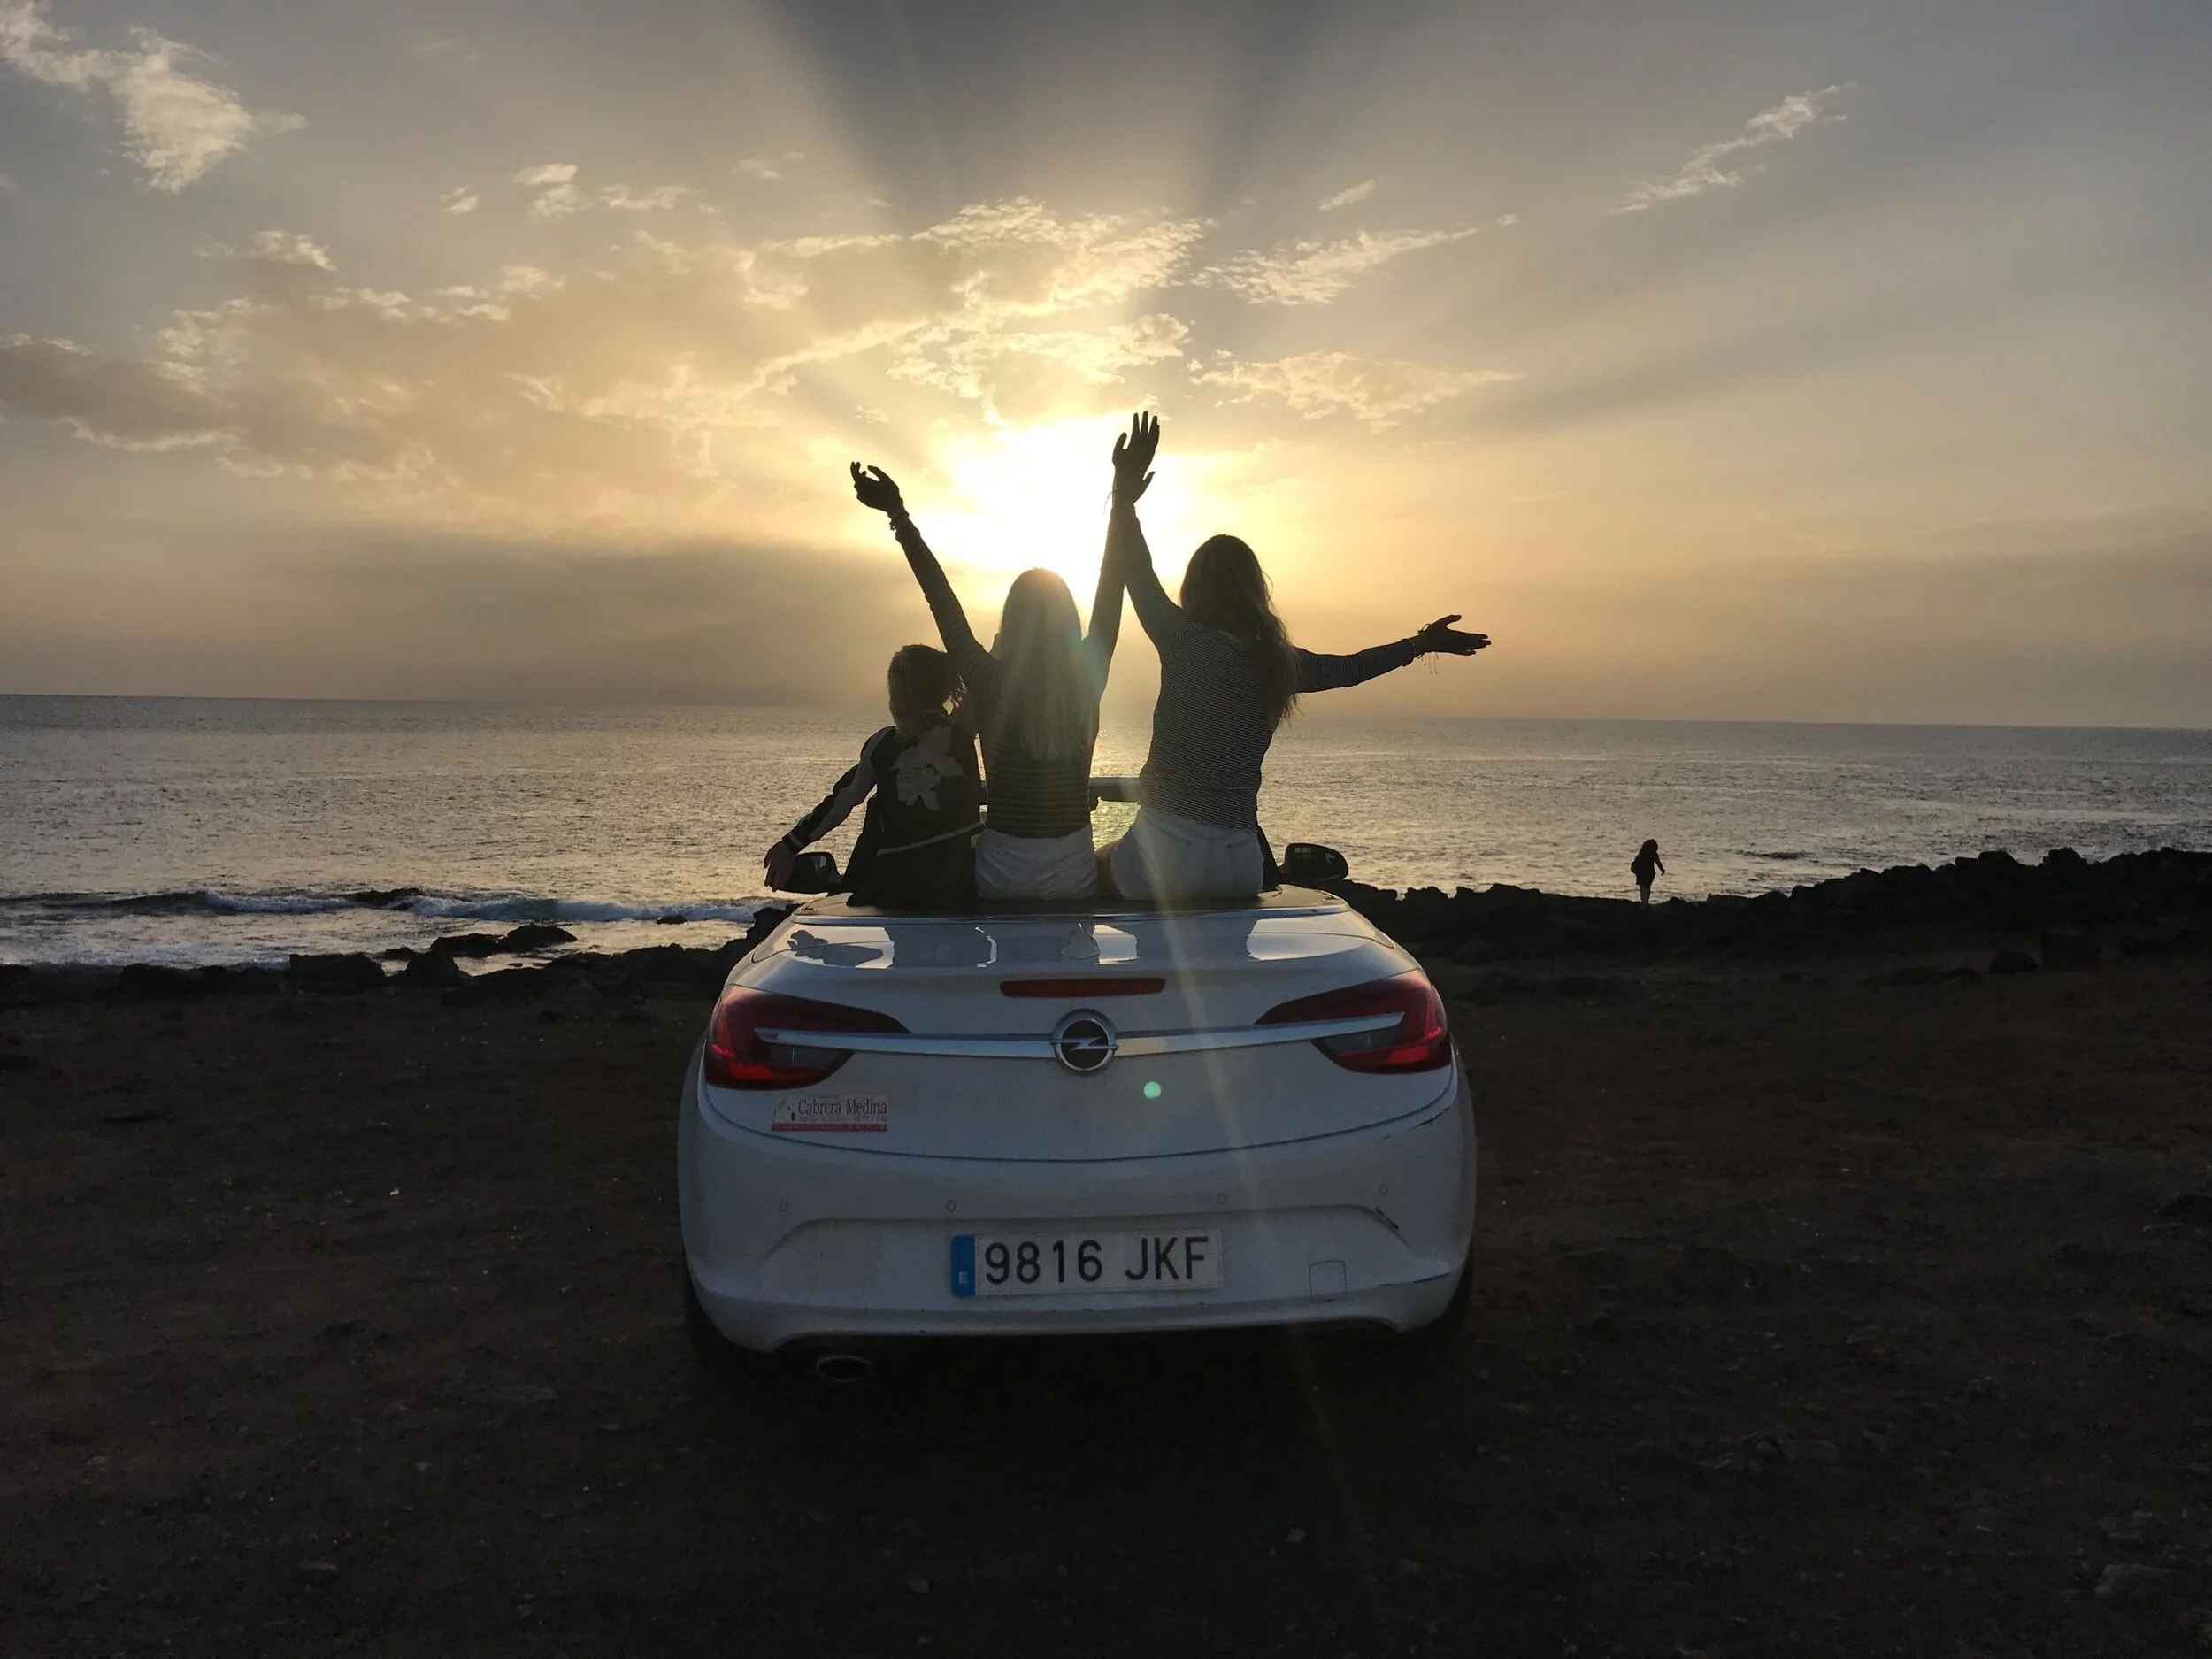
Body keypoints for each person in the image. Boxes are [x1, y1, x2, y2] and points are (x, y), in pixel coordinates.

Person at [1098, 411, 1490, 901]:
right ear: (1255, 590)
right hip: (1239, 863)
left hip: (1165, 853)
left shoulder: (1181, 637)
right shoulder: (1279, 662)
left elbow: (1136, 567)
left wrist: (1124, 494)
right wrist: (1422, 643)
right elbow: (1353, 668)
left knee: (1092, 870)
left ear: (1195, 586)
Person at [849, 458, 1122, 900]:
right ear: (1069, 623)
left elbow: (941, 599)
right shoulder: (1087, 679)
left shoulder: (989, 680)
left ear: (1010, 623)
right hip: (1072, 877)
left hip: (1001, 878)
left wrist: (898, 515)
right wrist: (1123, 499)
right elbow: (1112, 586)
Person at [763, 644, 981, 908]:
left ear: (900, 694)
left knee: (876, 806)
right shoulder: (962, 731)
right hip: (962, 883)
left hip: (898, 890)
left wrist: (790, 846)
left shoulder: (884, 745)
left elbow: (842, 800)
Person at [1631, 839, 1665, 904]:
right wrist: (1662, 870)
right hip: (1650, 872)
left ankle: (1644, 903)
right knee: (1647, 888)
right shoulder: (1654, 854)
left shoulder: (1641, 854)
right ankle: (1646, 903)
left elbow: (1636, 863)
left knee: (1643, 888)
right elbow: (1658, 863)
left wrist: (1635, 870)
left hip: (1641, 872)